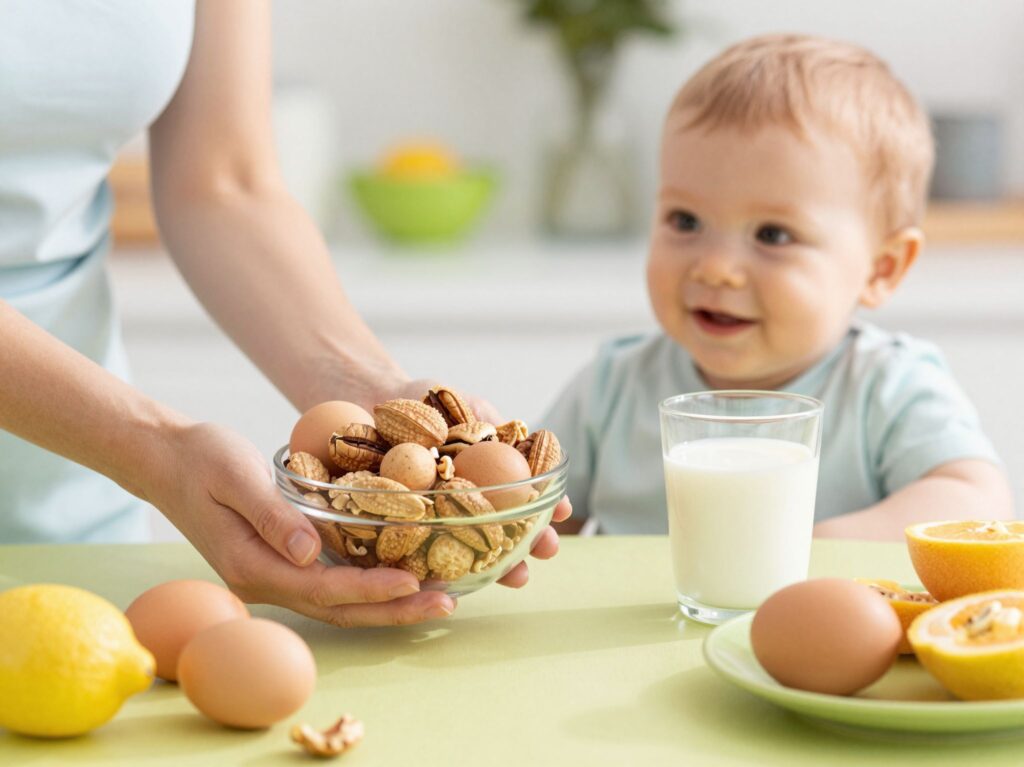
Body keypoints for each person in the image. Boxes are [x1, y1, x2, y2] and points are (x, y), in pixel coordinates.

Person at [0, 0, 570, 627]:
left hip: (78, 508)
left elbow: (225, 183)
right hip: (109, 442)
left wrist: (366, 394)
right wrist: (153, 449)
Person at [544, 34, 1013, 540]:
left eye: (773, 235)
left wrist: (824, 549)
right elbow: (532, 513)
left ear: (882, 269)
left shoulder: (887, 388)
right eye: (685, 220)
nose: (716, 268)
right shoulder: (612, 388)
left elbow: (976, 502)